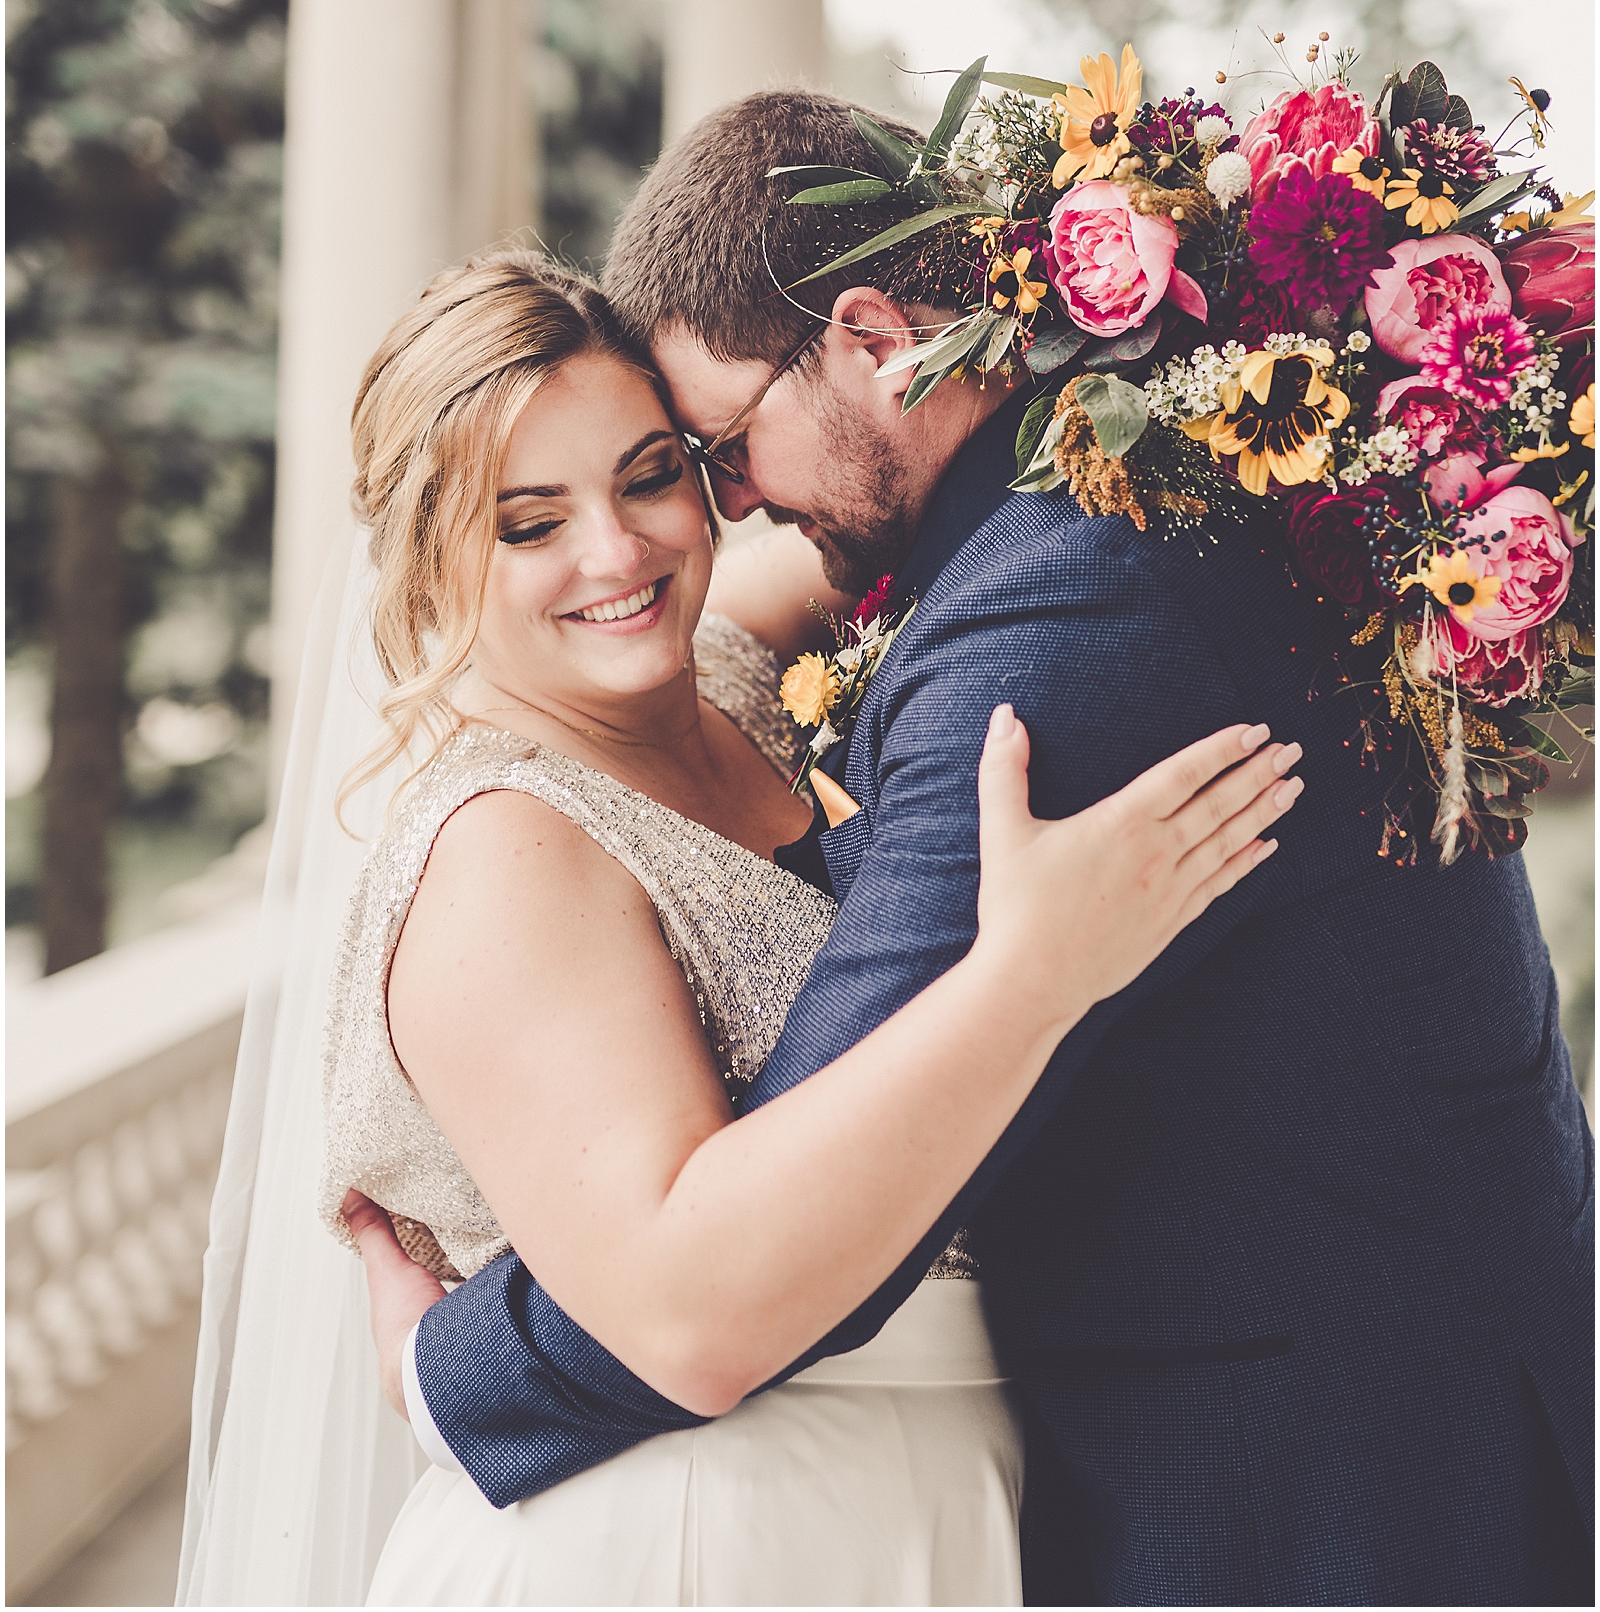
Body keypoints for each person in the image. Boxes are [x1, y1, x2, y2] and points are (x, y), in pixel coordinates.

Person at [365, 90, 1593, 1609]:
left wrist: (453, 1366)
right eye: (529, 518)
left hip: (1320, 1483)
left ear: (878, 337)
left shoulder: (1053, 616)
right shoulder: (1099, 491)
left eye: (696, 458)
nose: (720, 510)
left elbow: (751, 1272)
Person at [179, 252, 1293, 1608]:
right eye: (528, 524)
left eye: (649, 475)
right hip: (690, 1535)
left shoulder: (719, 669)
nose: (618, 552)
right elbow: (686, 1321)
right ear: (431, 560)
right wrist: (1035, 976)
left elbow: (907, 504)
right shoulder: (502, 848)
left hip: (933, 1488)